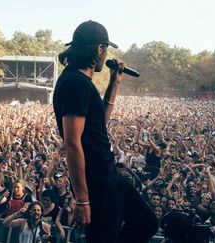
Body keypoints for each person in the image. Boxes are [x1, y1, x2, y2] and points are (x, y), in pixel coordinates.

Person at [53, 20, 158, 242]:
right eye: (106, 48)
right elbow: (72, 143)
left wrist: (114, 84)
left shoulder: (80, 82)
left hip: (108, 174)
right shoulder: (76, 83)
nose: (106, 53)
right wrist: (82, 200)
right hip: (98, 180)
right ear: (99, 48)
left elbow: (99, 121)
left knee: (146, 221)